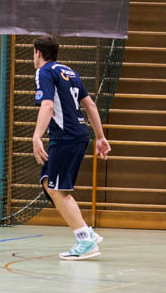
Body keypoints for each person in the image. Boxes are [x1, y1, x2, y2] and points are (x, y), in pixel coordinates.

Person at [31, 33, 111, 260]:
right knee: (49, 182)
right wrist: (100, 137)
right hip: (78, 134)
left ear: (38, 53)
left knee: (58, 191)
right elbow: (90, 104)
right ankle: (87, 232)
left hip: (65, 137)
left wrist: (36, 136)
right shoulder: (69, 71)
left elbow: (47, 105)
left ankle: (84, 240)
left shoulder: (44, 72)